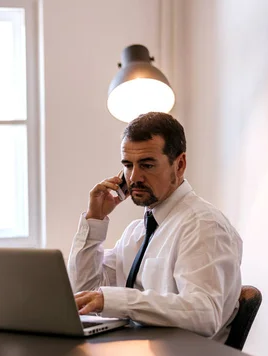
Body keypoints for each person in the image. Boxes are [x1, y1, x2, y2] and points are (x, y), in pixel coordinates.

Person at [67, 112, 242, 342]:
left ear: (179, 165)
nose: (134, 177)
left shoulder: (203, 225)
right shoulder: (137, 232)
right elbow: (84, 290)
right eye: (128, 165)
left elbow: (205, 313)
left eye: (147, 165)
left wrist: (115, 301)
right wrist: (95, 219)